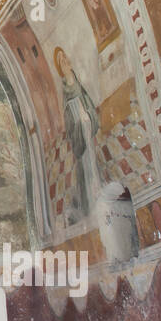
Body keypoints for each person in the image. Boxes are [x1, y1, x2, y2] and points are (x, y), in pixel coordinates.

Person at [54, 48, 101, 223]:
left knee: (93, 159)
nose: (65, 60)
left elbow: (85, 99)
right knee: (85, 163)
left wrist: (89, 115)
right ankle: (89, 198)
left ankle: (97, 188)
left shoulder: (75, 79)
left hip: (86, 123)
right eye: (61, 60)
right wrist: (79, 123)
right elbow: (69, 111)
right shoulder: (66, 85)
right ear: (59, 67)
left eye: (65, 56)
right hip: (80, 128)